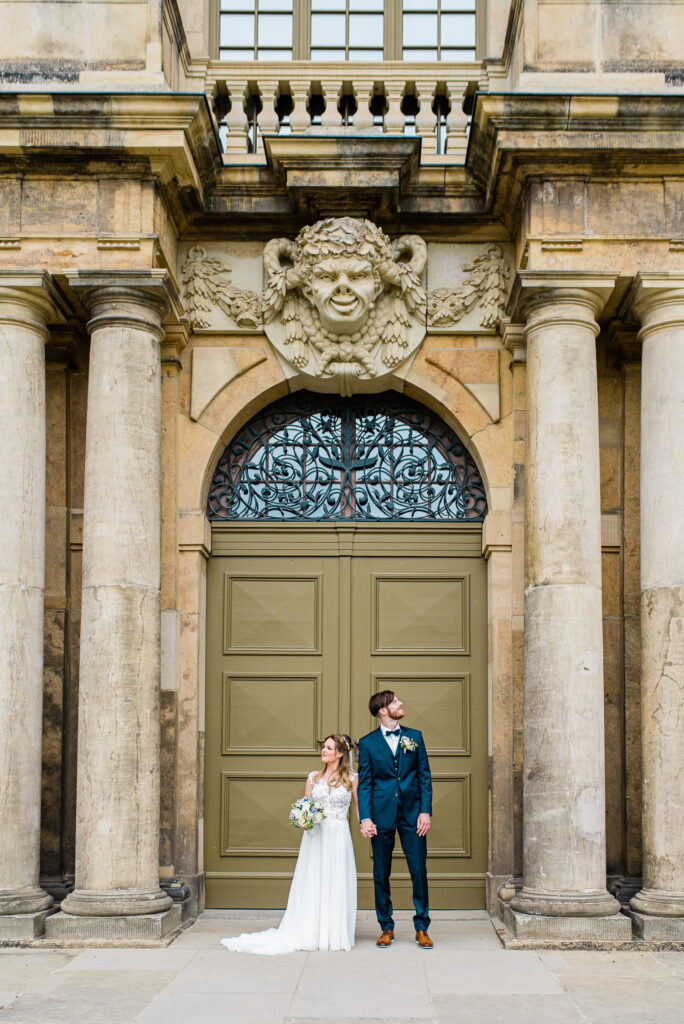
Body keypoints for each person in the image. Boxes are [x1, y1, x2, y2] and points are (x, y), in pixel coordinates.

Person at [221, 734, 359, 954]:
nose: (323, 750)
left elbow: (360, 810)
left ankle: (334, 932)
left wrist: (366, 826)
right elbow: (307, 805)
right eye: (324, 747)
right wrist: (303, 820)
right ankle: (311, 930)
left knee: (336, 879)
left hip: (339, 836)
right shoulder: (313, 778)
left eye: (328, 748)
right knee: (314, 879)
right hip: (316, 838)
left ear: (340, 753)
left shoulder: (352, 778)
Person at [357, 691, 434, 949]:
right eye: (395, 702)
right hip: (381, 816)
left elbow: (424, 776)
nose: (401, 704)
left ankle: (422, 927)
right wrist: (365, 818)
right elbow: (365, 784)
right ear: (383, 710)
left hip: (413, 815)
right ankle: (386, 927)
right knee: (381, 873)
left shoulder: (415, 737)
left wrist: (425, 811)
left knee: (418, 871)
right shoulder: (367, 743)